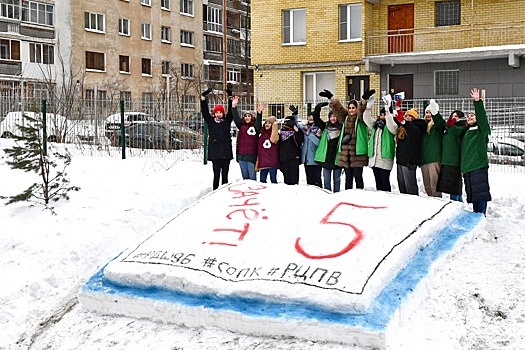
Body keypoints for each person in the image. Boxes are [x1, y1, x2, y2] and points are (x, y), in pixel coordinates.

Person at [320, 89, 372, 189]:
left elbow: (362, 112)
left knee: (358, 177)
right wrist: (331, 98)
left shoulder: (360, 119)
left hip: (357, 153)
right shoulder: (345, 118)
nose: (351, 110)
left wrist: (364, 100)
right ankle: (348, 197)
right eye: (350, 108)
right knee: (348, 178)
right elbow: (338, 109)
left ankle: (360, 196)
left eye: (353, 108)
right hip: (346, 154)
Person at [461, 88, 491, 215]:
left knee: (480, 194)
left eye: (472, 115)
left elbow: (483, 118)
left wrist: (477, 102)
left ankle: (481, 216)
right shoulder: (467, 131)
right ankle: (476, 216)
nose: (469, 117)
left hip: (478, 166)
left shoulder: (481, 129)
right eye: (468, 116)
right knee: (473, 195)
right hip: (468, 168)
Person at [363, 94, 398, 192]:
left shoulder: (391, 126)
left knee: (385, 182)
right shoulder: (376, 125)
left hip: (385, 159)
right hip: (375, 159)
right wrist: (368, 107)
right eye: (381, 115)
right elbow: (367, 119)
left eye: (384, 115)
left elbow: (392, 125)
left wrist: (388, 110)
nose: (383, 117)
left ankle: (387, 200)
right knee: (378, 182)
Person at [200, 86, 233, 190]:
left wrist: (230, 97)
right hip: (215, 153)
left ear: (223, 113)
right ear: (214, 113)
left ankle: (224, 191)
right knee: (216, 175)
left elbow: (232, 111)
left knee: (225, 176)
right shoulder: (210, 121)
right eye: (217, 112)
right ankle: (214, 192)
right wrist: (203, 97)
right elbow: (204, 111)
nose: (218, 114)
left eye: (220, 112)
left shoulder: (227, 121)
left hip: (226, 152)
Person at [435, 104, 467, 202]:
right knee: (452, 188)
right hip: (446, 161)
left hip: (455, 162)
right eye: (452, 116)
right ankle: (458, 203)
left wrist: (450, 125)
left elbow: (456, 131)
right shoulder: (448, 128)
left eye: (456, 116)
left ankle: (457, 204)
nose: (454, 118)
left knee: (455, 188)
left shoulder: (461, 128)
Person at [394, 107, 427, 195]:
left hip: (409, 161)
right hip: (401, 160)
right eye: (406, 115)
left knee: (410, 185)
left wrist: (404, 122)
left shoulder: (417, 127)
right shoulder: (402, 128)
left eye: (410, 116)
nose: (407, 117)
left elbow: (410, 128)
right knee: (402, 185)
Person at [232, 96, 264, 180]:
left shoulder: (255, 128)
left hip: (251, 156)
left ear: (253, 117)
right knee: (245, 179)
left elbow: (258, 124)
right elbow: (236, 118)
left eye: (249, 116)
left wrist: (259, 112)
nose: (247, 117)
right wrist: (234, 107)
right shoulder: (241, 126)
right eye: (245, 116)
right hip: (241, 156)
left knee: (252, 178)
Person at [313, 102, 343, 192]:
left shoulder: (342, 127)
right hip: (326, 157)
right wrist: (318, 108)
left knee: (337, 180)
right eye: (331, 116)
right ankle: (327, 195)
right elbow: (317, 119)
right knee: (326, 180)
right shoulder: (325, 127)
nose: (332, 118)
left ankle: (337, 195)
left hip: (336, 157)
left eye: (334, 116)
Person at [420, 100, 446, 197]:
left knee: (434, 185)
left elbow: (441, 123)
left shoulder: (436, 126)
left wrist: (435, 112)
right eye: (427, 112)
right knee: (427, 187)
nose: (428, 114)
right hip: (424, 160)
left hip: (434, 159)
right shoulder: (423, 126)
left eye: (430, 112)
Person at [295, 105, 323, 188]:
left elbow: (318, 143)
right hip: (306, 158)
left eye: (312, 117)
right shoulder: (305, 128)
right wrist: (295, 114)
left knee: (317, 179)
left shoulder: (318, 129)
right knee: (309, 180)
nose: (310, 118)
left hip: (316, 158)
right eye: (309, 117)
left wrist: (310, 134)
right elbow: (296, 124)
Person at [278, 115, 304, 185]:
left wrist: (297, 131)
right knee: (286, 179)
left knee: (294, 179)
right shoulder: (281, 132)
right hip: (284, 158)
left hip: (294, 158)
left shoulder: (297, 132)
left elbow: (300, 142)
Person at [257, 115, 280, 183]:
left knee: (273, 181)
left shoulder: (275, 134)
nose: (267, 124)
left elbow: (274, 140)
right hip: (263, 162)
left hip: (272, 162)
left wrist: (275, 127)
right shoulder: (262, 134)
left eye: (269, 123)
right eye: (266, 123)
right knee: (262, 181)